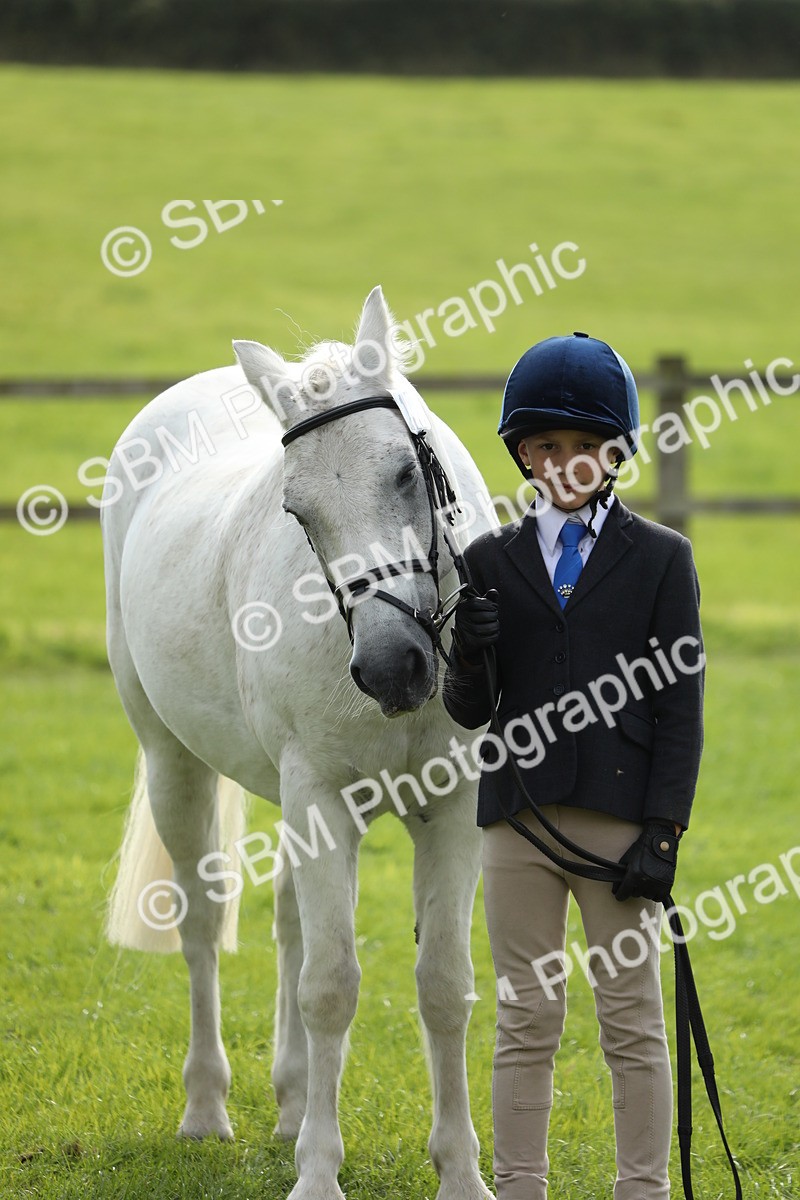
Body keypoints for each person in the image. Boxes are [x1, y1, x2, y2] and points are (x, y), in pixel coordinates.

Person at [443, 332, 704, 1200]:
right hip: (516, 823)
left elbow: (680, 708)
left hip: (619, 826)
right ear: (522, 453)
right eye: (546, 446)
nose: (564, 464)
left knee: (631, 1019)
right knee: (526, 1015)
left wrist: (664, 831)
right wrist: (468, 654)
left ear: (616, 453)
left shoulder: (662, 558)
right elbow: (470, 710)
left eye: (585, 446)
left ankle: (643, 1189)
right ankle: (519, 1185)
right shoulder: (488, 560)